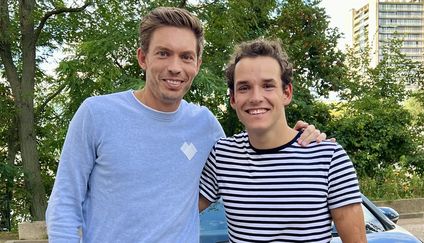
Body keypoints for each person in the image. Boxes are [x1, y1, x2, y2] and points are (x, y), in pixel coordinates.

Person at [46, 7, 328, 243]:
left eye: (186, 56)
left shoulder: (204, 124)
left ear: (197, 63)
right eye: (163, 53)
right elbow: (65, 204)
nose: (175, 67)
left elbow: (253, 155)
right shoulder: (97, 114)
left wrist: (299, 138)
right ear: (143, 58)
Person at [199, 39, 367, 243]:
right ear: (233, 99)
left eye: (268, 86)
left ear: (286, 93)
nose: (256, 97)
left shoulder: (329, 158)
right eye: (244, 88)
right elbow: (175, 211)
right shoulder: (223, 156)